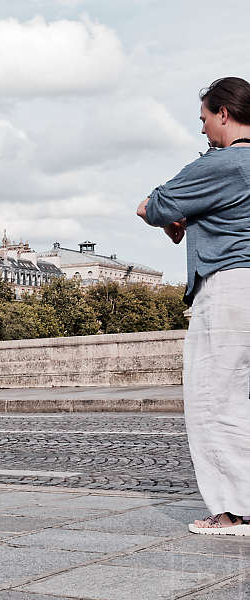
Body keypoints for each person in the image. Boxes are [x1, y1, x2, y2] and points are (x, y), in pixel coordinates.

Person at [137, 76, 250, 536]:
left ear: (223, 113)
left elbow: (152, 205)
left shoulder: (224, 163)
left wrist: (180, 215)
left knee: (214, 399)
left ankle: (232, 509)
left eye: (204, 118)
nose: (202, 129)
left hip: (230, 286)